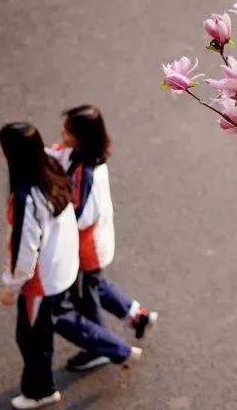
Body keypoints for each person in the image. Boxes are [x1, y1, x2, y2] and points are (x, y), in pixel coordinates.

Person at [0, 122, 141, 410]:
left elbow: (24, 252)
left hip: (40, 281)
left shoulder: (25, 197)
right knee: (64, 319)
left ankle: (40, 391)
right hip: (63, 267)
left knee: (32, 338)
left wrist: (11, 288)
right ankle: (119, 350)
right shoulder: (52, 169)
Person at [48, 104, 157, 372]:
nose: (62, 134)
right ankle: (136, 316)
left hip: (88, 248)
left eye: (68, 131)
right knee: (95, 285)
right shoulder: (91, 159)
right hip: (97, 243)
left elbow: (81, 215)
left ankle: (97, 348)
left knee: (86, 298)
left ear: (81, 137)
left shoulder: (84, 171)